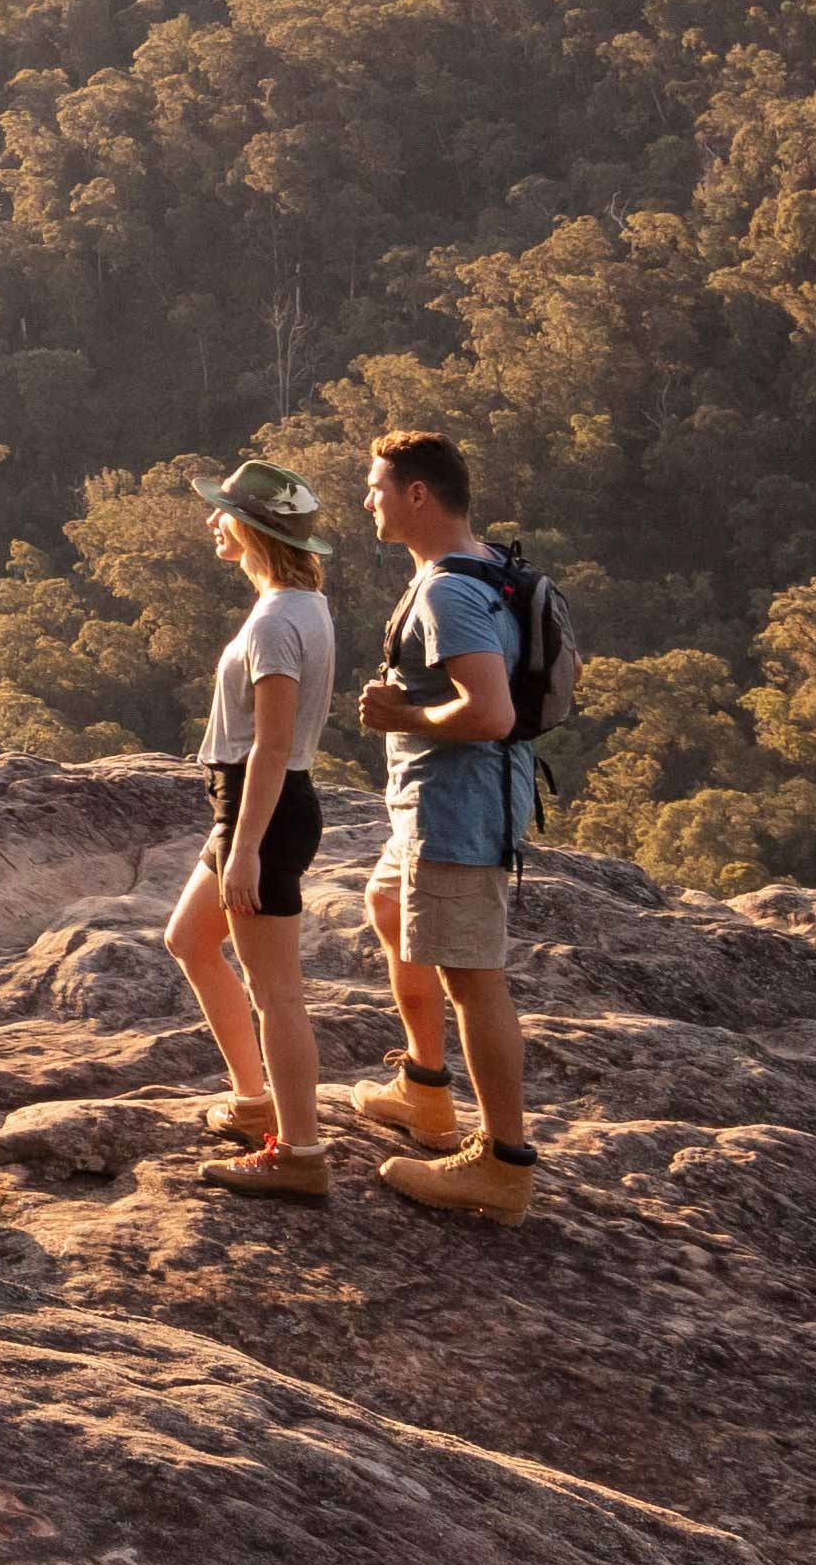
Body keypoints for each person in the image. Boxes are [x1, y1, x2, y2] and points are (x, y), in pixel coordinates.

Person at [341, 423, 546, 1221]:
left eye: (377, 487)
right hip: (435, 808)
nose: (369, 500)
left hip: (456, 813)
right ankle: (425, 1090)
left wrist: (402, 714)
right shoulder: (487, 565)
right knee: (388, 907)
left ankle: (503, 1164)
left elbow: (489, 712)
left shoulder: (448, 590)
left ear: (416, 495)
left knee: (473, 980)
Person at [153, 457, 348, 1200]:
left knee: (279, 992)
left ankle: (300, 1153)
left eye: (222, 511)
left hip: (260, 809)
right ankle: (251, 1102)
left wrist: (243, 852)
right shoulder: (302, 604)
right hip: (251, 805)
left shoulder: (275, 622)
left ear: (254, 528)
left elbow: (270, 744)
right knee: (190, 940)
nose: (212, 522)